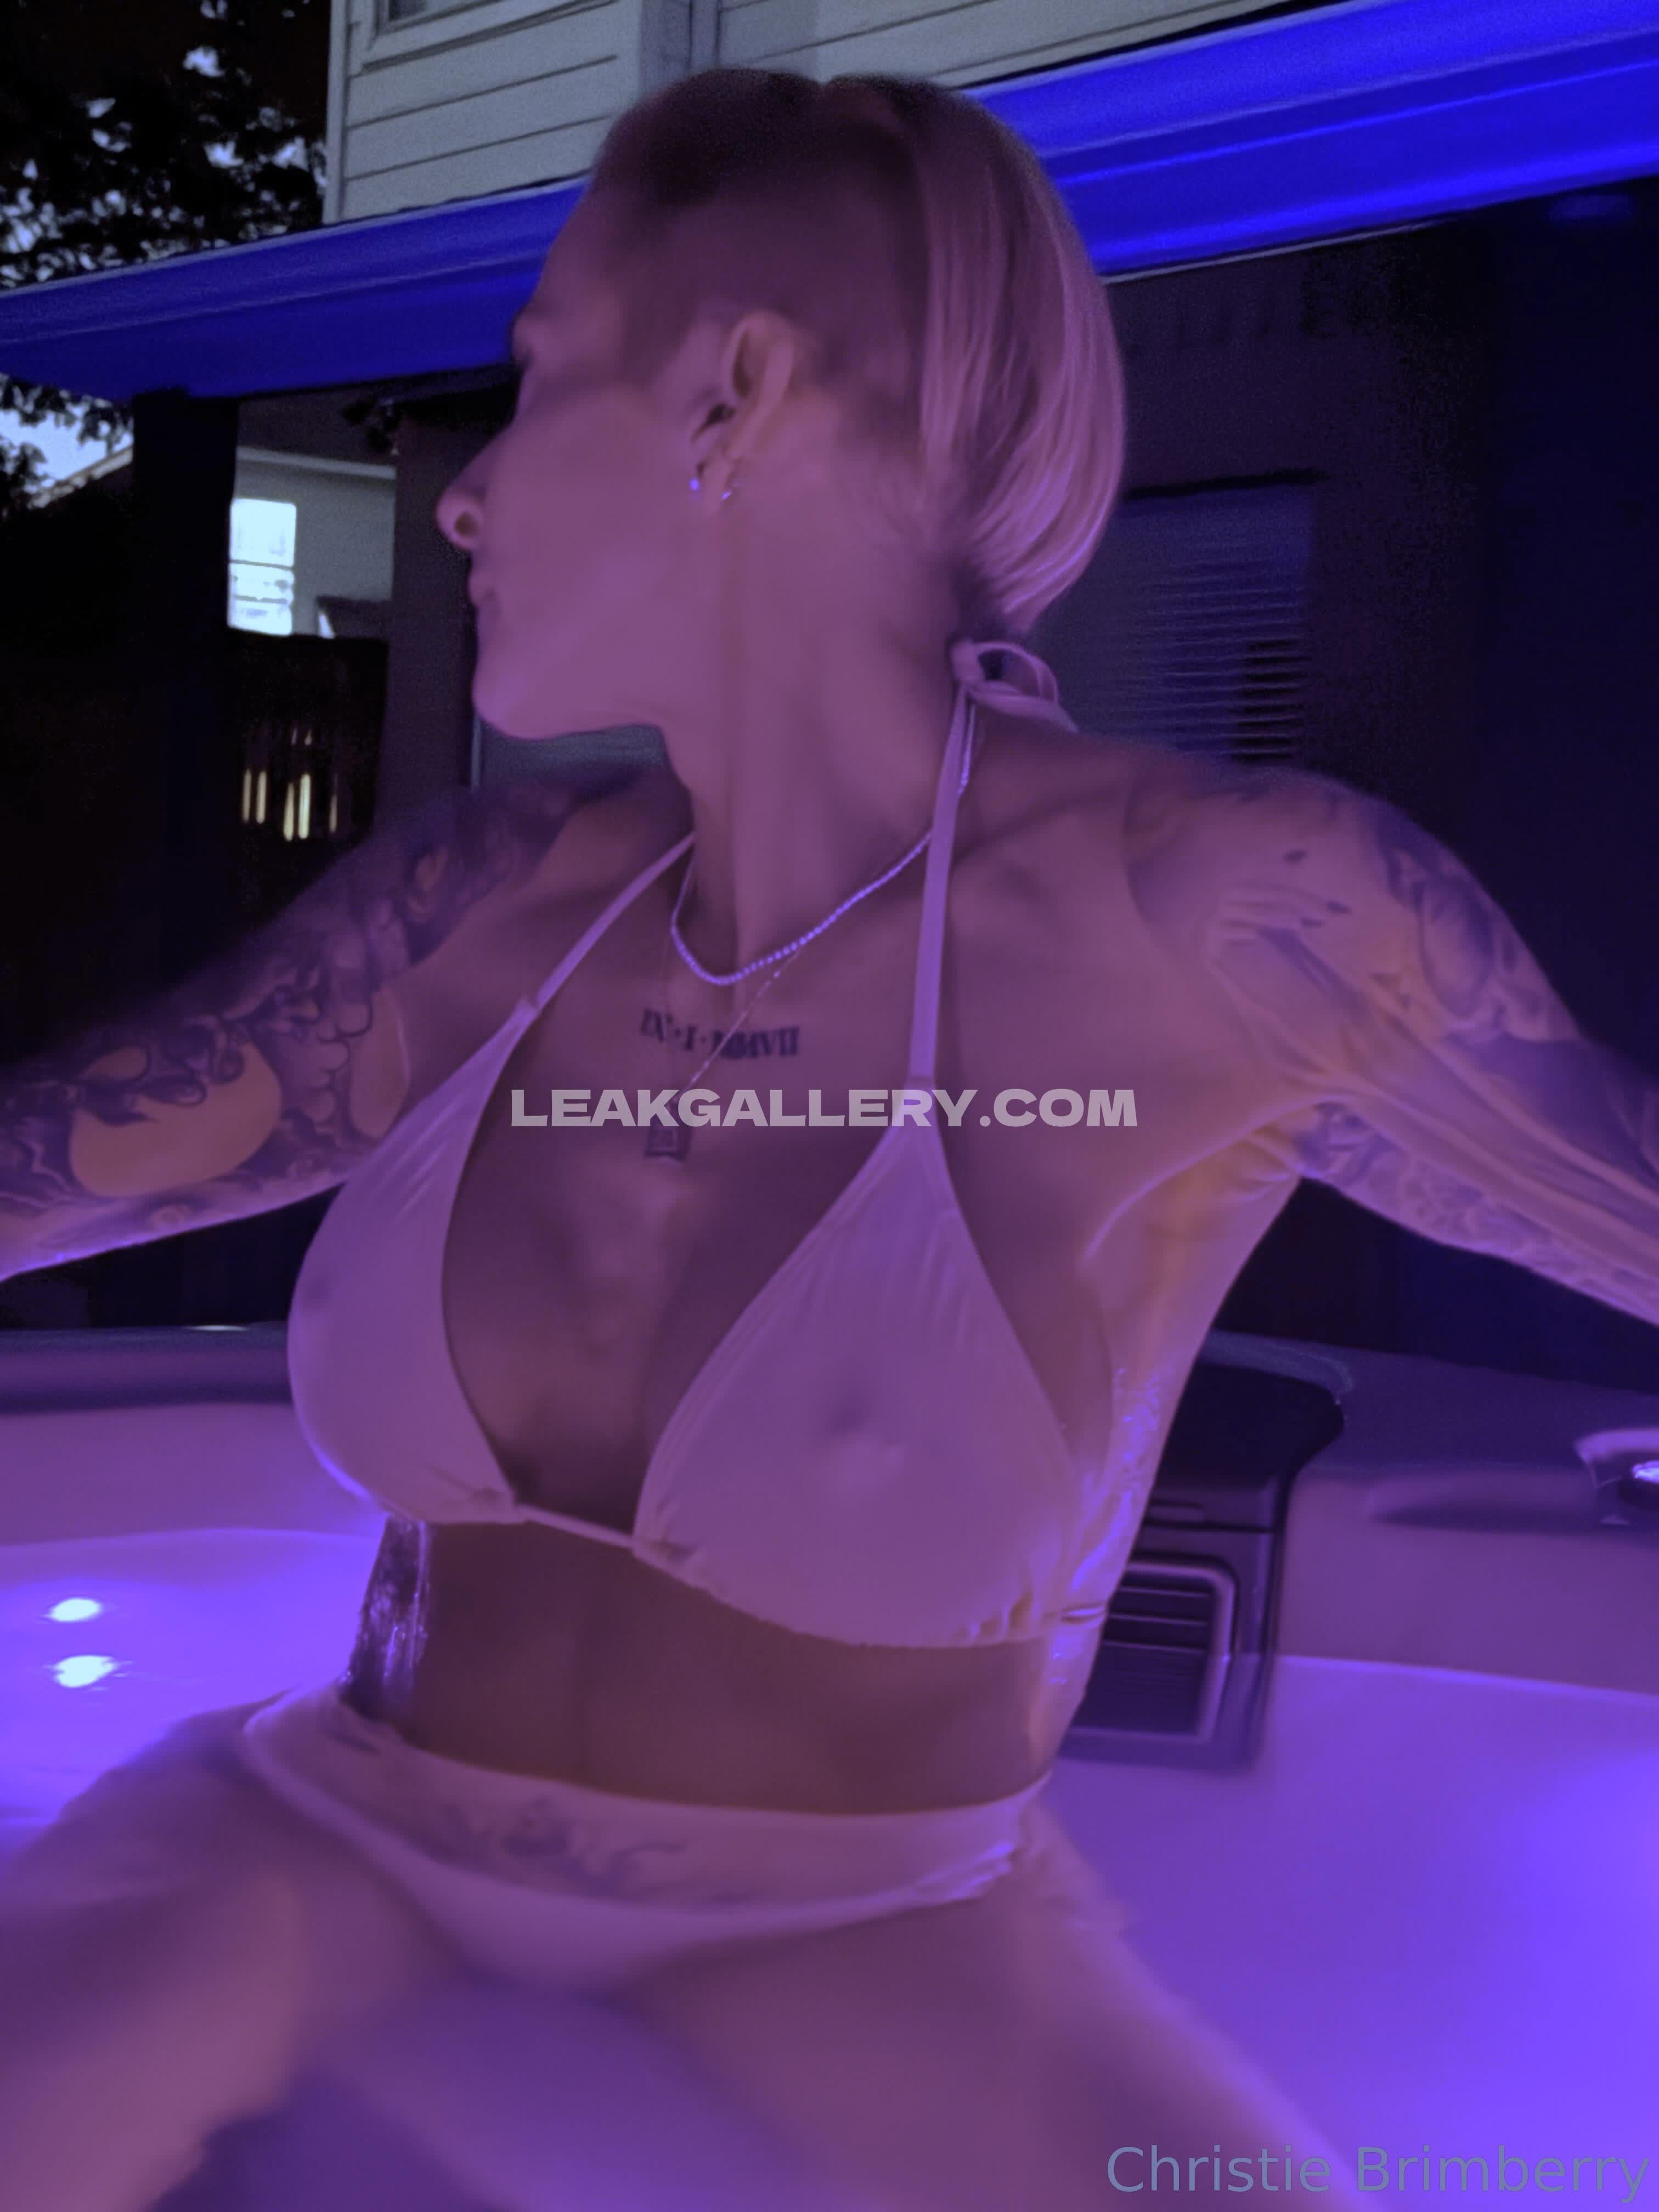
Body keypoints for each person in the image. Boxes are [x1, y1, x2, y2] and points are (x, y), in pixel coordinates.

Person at [2, 62, 1657, 2212]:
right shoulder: (489, 907)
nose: (467, 496)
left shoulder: (1224, 920)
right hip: (321, 1826)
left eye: (537, 377)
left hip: (877, 1919)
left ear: (738, 390)